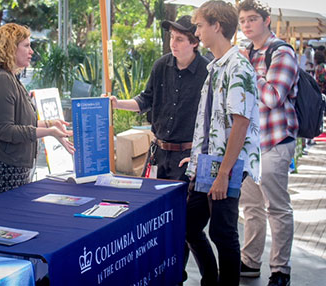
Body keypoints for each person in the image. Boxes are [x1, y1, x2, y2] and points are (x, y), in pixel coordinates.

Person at [183, 1, 261, 285]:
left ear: (217, 26)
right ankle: (211, 279)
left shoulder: (237, 66)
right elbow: (213, 122)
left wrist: (224, 174)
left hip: (224, 167)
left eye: (201, 25)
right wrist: (196, 157)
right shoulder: (216, 66)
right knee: (190, 225)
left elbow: (240, 123)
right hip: (209, 164)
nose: (197, 31)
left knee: (224, 233)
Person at [0, 23, 75, 201]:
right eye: (26, 45)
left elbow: (19, 123)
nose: (31, 51)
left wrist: (50, 124)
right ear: (10, 48)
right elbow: (4, 130)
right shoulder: (1, 79)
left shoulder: (9, 77)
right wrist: (48, 132)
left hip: (8, 166)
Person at [238, 1, 299, 285]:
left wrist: (249, 70)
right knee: (250, 208)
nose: (247, 25)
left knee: (277, 207)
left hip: (275, 140)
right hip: (250, 144)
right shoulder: (246, 53)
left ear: (266, 20)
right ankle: (250, 262)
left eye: (252, 19)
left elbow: (273, 98)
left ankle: (280, 270)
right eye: (242, 21)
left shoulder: (282, 52)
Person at [108, 15, 209, 184]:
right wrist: (117, 104)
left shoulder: (207, 72)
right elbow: (145, 100)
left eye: (179, 39)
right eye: (171, 37)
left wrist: (201, 156)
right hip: (158, 153)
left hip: (188, 157)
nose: (173, 43)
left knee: (183, 208)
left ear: (194, 43)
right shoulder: (160, 65)